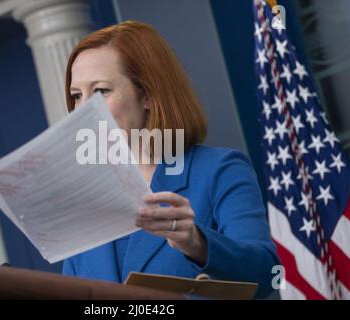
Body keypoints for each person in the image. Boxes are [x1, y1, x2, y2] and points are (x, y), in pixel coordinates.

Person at [62, 20, 280, 298]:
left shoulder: (218, 171)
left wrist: (196, 243)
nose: (85, 109)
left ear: (147, 96)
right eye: (76, 96)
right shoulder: (86, 203)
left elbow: (266, 276)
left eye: (102, 91)